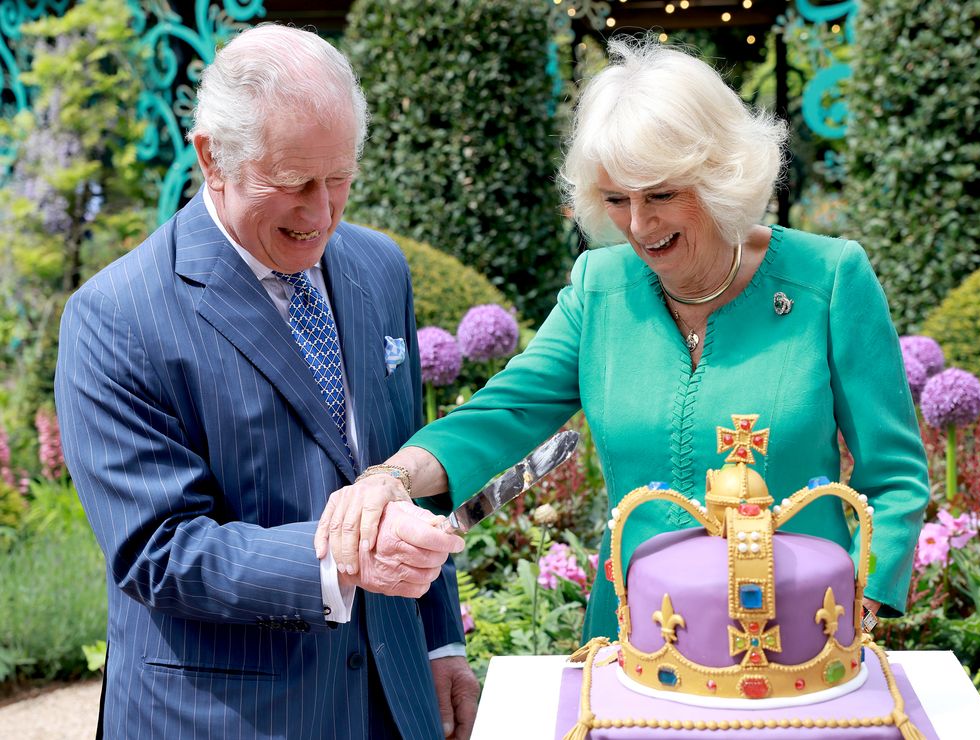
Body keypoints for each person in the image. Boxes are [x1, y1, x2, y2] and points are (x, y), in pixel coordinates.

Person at [318, 37, 929, 643]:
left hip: (798, 634)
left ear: (720, 174)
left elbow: (895, 475)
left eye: (662, 195)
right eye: (617, 200)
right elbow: (502, 413)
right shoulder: (599, 286)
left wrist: (860, 606)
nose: (640, 225)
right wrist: (389, 478)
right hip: (638, 634)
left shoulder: (829, 279)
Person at [55, 24, 477, 740]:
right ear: (212, 158)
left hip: (393, 703)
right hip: (226, 720)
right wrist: (342, 556)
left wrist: (439, 642)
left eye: (339, 178)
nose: (321, 213)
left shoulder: (380, 268)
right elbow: (158, 551)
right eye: (292, 183)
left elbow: (406, 475)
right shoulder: (114, 317)